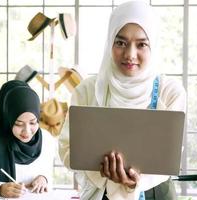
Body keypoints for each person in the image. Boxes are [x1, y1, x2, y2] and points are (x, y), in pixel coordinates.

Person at [58, 1, 186, 200]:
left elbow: (171, 156)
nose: (130, 55)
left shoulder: (170, 91)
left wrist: (136, 181)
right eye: (121, 43)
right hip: (102, 192)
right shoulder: (87, 90)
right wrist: (101, 172)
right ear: (110, 42)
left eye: (142, 44)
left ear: (154, 44)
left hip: (155, 193)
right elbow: (67, 149)